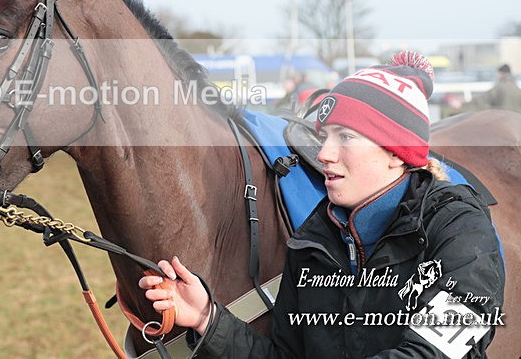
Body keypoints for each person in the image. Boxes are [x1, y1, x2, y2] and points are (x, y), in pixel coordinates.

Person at [140, 52, 504, 358]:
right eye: (324, 136)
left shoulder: (459, 227)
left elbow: (435, 352)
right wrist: (208, 318)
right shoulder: (313, 241)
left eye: (345, 137)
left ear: (396, 154)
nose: (325, 154)